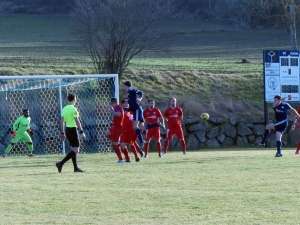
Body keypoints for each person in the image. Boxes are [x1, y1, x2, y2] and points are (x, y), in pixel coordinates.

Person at [55, 94, 86, 173]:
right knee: (76, 150)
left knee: (73, 149)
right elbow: (77, 121)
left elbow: (61, 122)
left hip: (67, 130)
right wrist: (82, 132)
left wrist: (62, 132)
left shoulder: (64, 109)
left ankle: (75, 168)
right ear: (74, 99)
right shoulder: (73, 109)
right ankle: (60, 163)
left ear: (68, 100)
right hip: (73, 130)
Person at [107, 97, 126, 163]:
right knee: (107, 133)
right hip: (116, 127)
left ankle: (121, 159)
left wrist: (111, 111)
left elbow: (119, 114)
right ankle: (116, 143)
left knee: (114, 143)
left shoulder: (117, 107)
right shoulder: (117, 107)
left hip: (118, 127)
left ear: (112, 103)